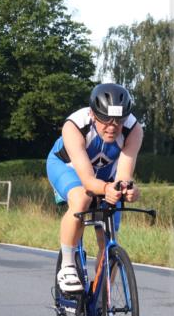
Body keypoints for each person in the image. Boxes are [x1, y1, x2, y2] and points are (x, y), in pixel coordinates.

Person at [47, 83, 143, 292]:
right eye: (106, 120)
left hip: (105, 176)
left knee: (108, 240)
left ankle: (103, 307)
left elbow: (123, 174)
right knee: (82, 199)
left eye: (119, 121)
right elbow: (88, 181)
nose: (112, 127)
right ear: (92, 114)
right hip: (68, 168)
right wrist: (107, 188)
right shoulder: (74, 126)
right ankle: (68, 266)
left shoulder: (134, 130)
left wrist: (127, 190)